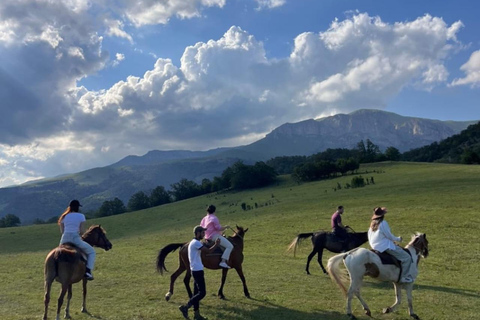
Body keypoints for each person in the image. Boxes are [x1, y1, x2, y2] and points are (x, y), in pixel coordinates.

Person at [179, 226, 221, 320]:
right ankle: (186, 307)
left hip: (195, 270)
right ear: (198, 233)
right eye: (202, 233)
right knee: (202, 293)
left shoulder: (193, 243)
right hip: (197, 271)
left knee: (196, 293)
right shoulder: (196, 243)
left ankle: (196, 315)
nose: (204, 234)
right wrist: (217, 244)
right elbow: (209, 251)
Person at [368, 207, 413, 283]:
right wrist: (398, 239)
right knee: (407, 258)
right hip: (384, 246)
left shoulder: (372, 225)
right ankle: (404, 277)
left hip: (374, 246)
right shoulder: (383, 223)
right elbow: (389, 236)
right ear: (382, 215)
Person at [57, 200, 96, 280]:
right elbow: (81, 231)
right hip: (75, 238)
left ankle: (56, 272)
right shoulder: (81, 216)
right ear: (78, 207)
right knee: (91, 252)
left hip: (64, 238)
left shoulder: (64, 216)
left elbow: (62, 231)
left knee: (57, 254)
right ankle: (88, 272)